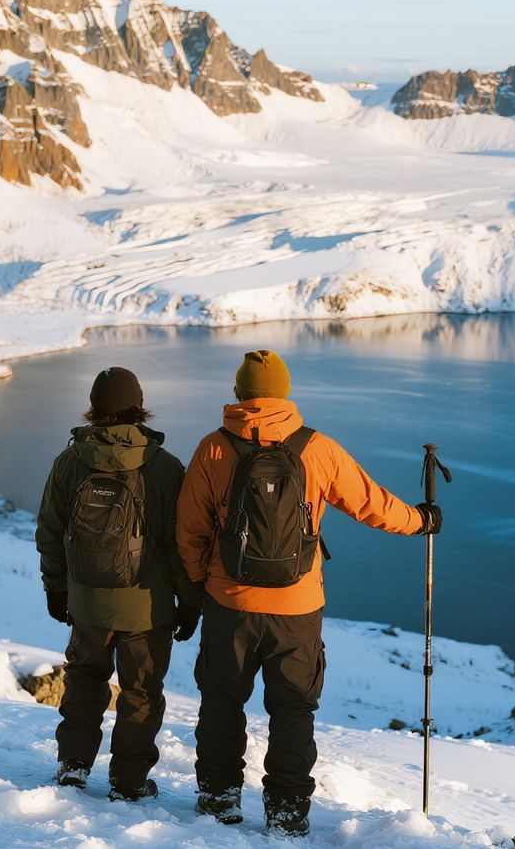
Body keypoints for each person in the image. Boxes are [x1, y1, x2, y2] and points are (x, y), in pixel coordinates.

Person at [176, 350, 441, 836]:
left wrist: (197, 586)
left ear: (238, 393)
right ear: (284, 393)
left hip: (229, 601)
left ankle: (218, 798)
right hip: (297, 606)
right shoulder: (315, 447)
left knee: (221, 701)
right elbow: (370, 502)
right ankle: (286, 811)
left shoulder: (213, 448)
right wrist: (420, 520)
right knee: (294, 707)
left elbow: (189, 529)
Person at [36, 366, 201, 801]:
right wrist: (189, 601)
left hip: (87, 601)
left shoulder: (70, 461)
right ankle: (128, 781)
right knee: (141, 692)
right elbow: (179, 542)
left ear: (93, 409)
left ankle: (73, 766)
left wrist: (57, 588)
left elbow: (50, 530)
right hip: (148, 607)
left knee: (85, 681)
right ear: (139, 407)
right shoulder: (163, 467)